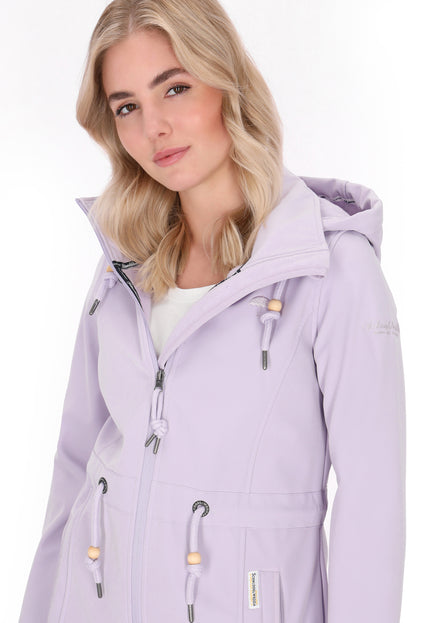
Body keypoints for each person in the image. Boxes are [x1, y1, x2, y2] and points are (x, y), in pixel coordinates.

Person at [19, 0, 406, 622]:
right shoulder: (123, 266)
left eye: (174, 88)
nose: (154, 128)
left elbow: (371, 507)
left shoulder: (332, 269)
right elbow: (73, 467)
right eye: (126, 107)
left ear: (226, 80)